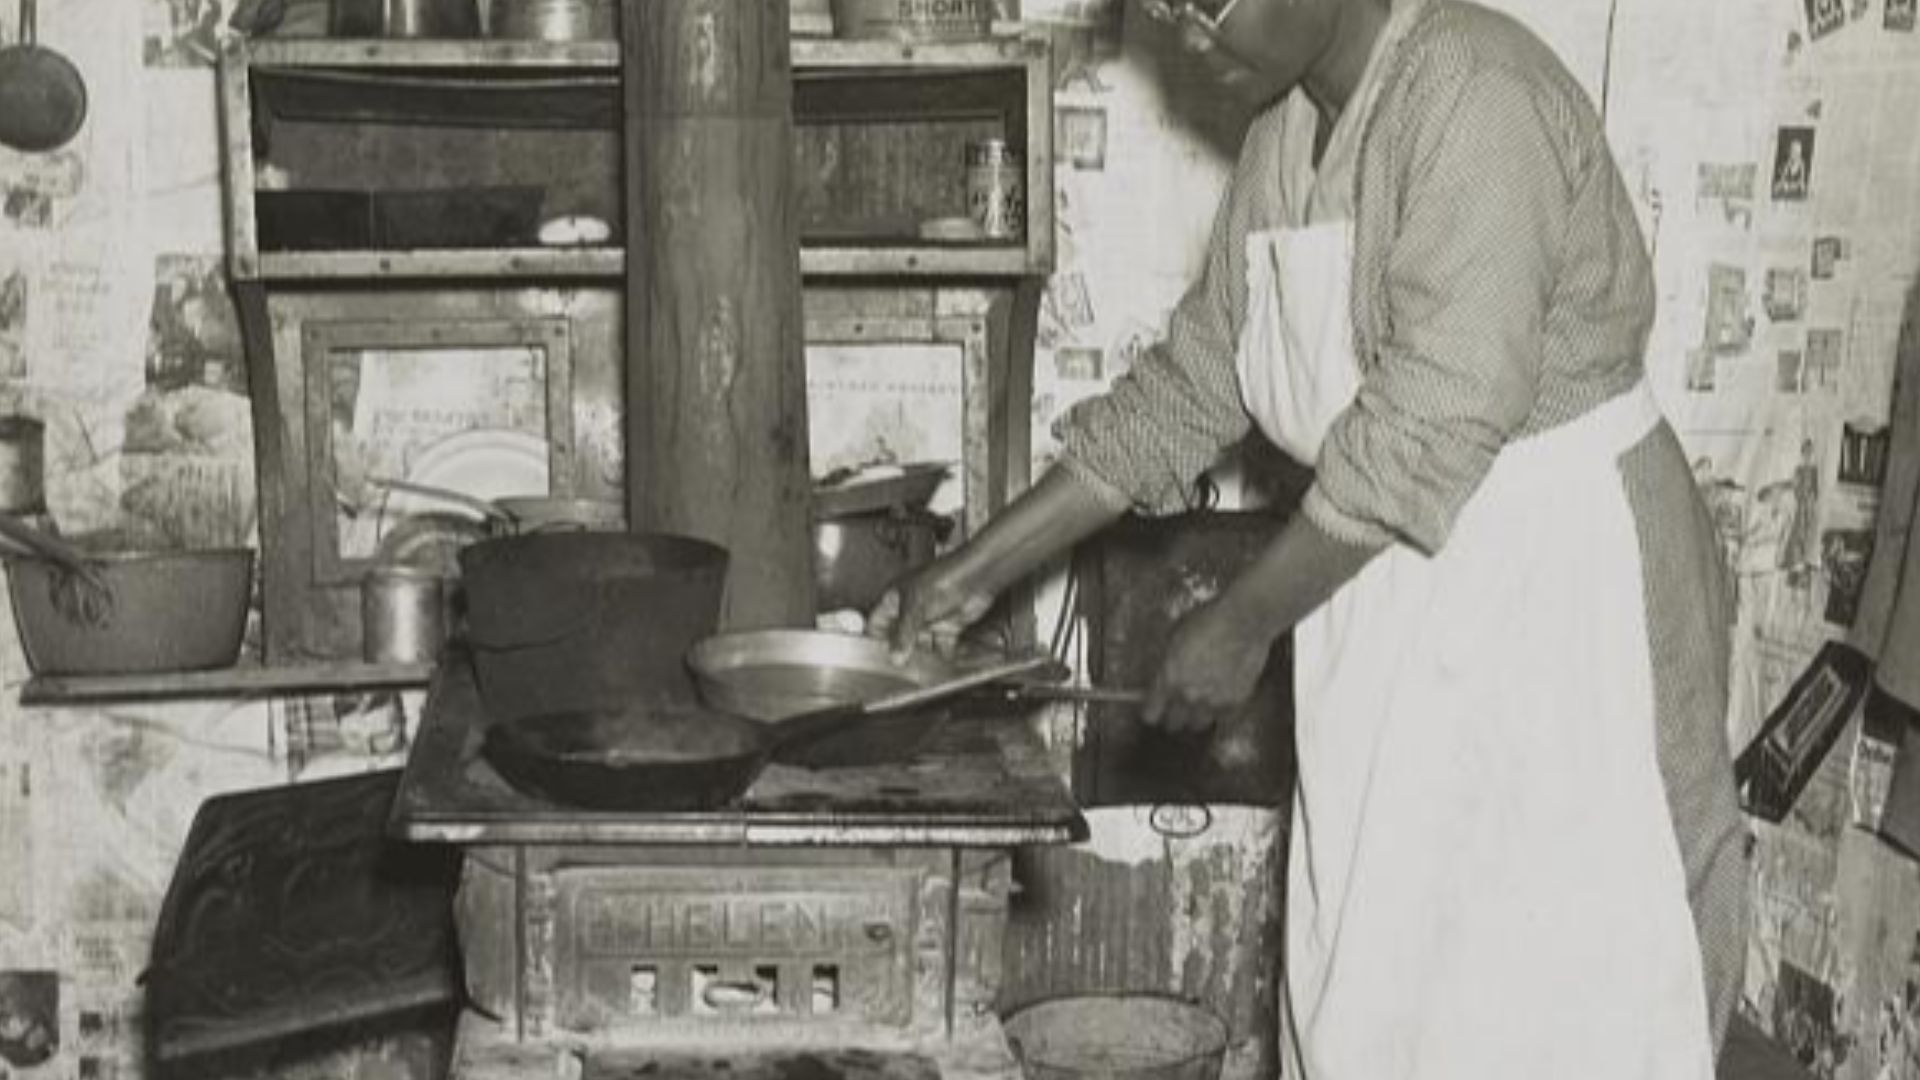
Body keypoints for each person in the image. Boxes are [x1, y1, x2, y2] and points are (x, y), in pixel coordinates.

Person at [867, 0, 1749, 1075]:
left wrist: (1241, 623)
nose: (1186, 28)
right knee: (1386, 996)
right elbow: (1187, 391)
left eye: (1207, 0)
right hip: (1381, 594)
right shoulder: (1286, 140)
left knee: (1568, 991)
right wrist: (969, 574)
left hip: (1561, 599)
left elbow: (1433, 416)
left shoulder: (1476, 93)